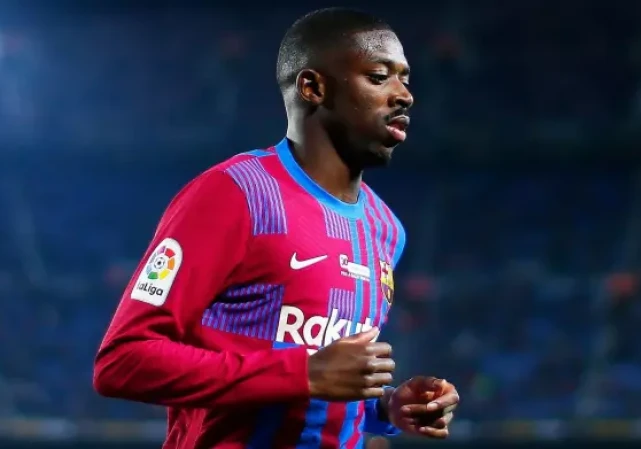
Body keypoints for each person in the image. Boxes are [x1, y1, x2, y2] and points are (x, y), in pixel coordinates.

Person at [93, 7, 459, 449]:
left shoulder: (386, 229)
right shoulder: (234, 194)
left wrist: (386, 408)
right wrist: (301, 373)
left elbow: (319, 385)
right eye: (380, 77)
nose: (404, 96)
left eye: (405, 79)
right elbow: (122, 361)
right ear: (313, 87)